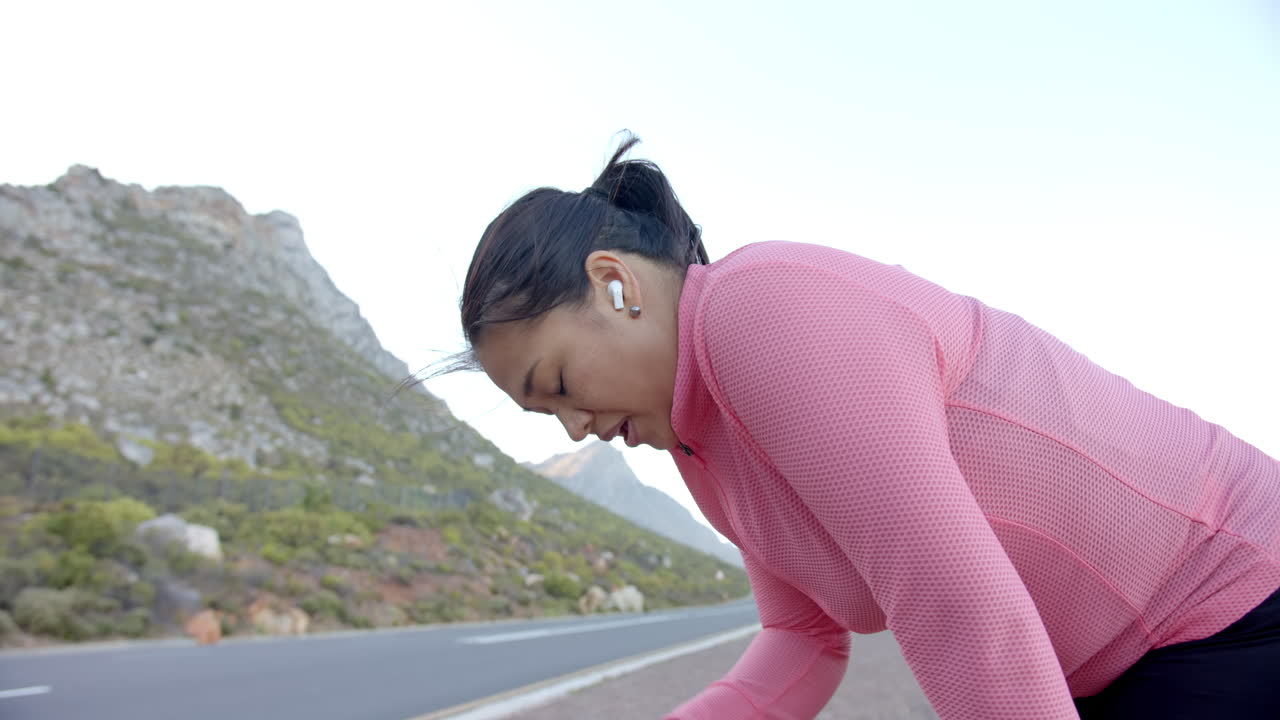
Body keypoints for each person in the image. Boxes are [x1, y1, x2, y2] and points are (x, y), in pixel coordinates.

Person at [437, 133, 1280, 719]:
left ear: (615, 284)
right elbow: (802, 642)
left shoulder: (756, 309)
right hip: (1120, 666)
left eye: (559, 384)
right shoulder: (703, 442)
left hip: (1225, 596)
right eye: (546, 414)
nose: (575, 428)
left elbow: (953, 603)